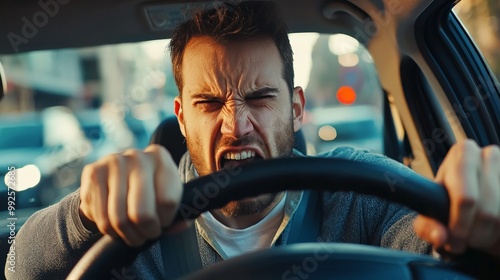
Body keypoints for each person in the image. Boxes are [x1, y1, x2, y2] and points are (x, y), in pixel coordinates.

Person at [6, 1, 500, 279]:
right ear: (181, 117)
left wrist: (474, 219)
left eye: (260, 97)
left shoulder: (358, 194)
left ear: (297, 106)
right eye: (208, 103)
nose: (235, 125)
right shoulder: (134, 215)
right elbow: (21, 271)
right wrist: (86, 214)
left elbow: (430, 250)